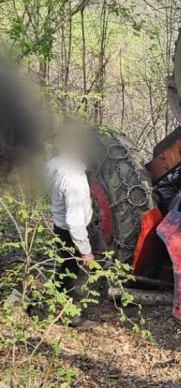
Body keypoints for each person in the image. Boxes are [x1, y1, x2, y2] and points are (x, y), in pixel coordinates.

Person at [45, 128, 104, 309]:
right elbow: (75, 222)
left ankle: (61, 297)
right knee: (75, 269)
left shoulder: (54, 164)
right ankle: (74, 312)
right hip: (74, 230)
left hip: (60, 228)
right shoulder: (74, 180)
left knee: (69, 266)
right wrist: (86, 252)